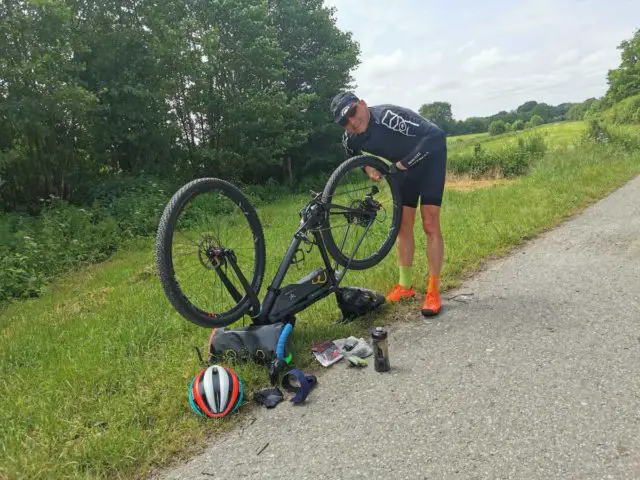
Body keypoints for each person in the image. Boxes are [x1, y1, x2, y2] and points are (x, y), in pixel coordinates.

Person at [330, 91, 447, 317]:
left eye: (353, 112)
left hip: (430, 159)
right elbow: (351, 153)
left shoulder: (388, 116)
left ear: (363, 104)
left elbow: (436, 136)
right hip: (402, 168)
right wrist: (367, 168)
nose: (352, 122)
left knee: (430, 223)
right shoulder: (351, 136)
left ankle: (433, 289)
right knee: (403, 226)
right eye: (345, 122)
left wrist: (405, 163)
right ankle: (405, 286)